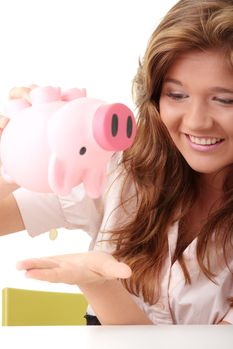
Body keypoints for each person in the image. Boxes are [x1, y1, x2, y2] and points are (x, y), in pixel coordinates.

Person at [0, 0, 233, 325]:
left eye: (224, 99)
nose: (196, 122)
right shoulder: (121, 168)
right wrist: (13, 158)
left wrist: (101, 285)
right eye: (177, 95)